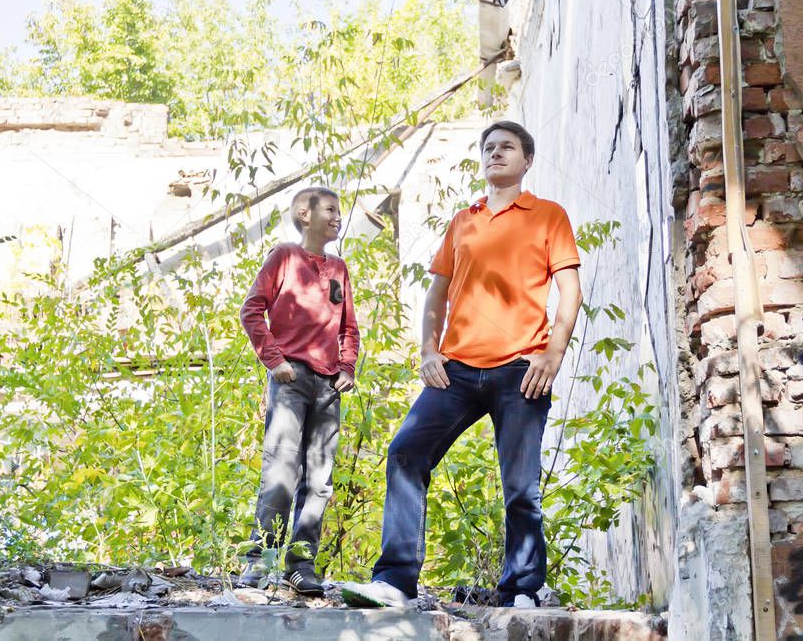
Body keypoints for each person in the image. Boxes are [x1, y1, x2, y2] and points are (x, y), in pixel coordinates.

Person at [341, 120, 583, 609]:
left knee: (520, 485)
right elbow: (437, 292)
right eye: (488, 147)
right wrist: (429, 350)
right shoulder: (464, 221)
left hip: (521, 371)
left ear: (527, 160)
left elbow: (570, 291)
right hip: (455, 371)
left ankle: (522, 589)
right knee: (406, 452)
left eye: (507, 147)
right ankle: (395, 582)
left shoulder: (548, 215)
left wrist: (552, 354)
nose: (496, 153)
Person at [238, 186, 360, 597]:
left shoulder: (338, 268)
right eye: (330, 209)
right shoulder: (284, 257)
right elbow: (252, 309)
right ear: (304, 215)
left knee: (320, 478)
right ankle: (259, 561)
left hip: (328, 384)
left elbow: (349, 327)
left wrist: (346, 367)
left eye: (339, 210)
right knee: (282, 468)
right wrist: (275, 360)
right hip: (291, 380)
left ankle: (300, 564)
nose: (337, 216)